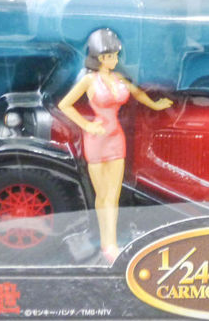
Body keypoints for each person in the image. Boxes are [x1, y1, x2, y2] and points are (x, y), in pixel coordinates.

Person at [58, 28, 173, 264]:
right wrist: (86, 125)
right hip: (96, 139)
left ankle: (110, 244)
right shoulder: (89, 80)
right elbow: (65, 105)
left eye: (115, 55)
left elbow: (138, 94)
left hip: (116, 138)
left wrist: (156, 105)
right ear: (99, 57)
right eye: (110, 56)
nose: (114, 60)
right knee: (103, 196)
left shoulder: (119, 79)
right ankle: (107, 244)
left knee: (113, 195)